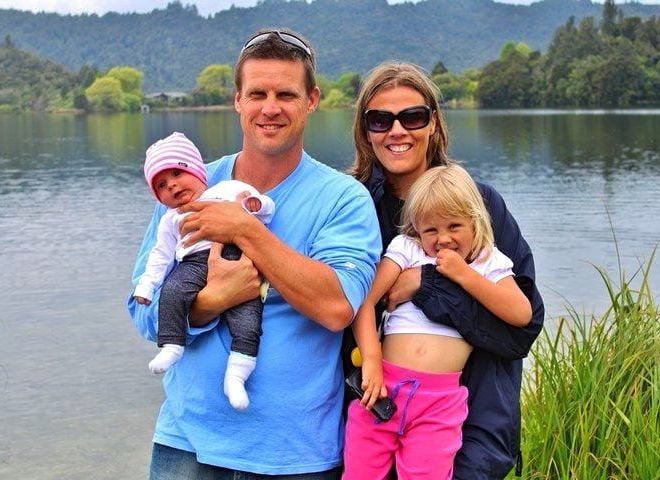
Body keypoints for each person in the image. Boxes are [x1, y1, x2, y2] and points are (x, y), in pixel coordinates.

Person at [127, 29, 381, 479]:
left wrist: (246, 229)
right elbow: (144, 315)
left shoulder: (344, 199)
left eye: (286, 93)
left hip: (293, 452)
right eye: (257, 93)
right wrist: (209, 303)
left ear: (312, 100)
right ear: (238, 100)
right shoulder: (187, 186)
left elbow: (338, 307)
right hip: (187, 442)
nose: (270, 107)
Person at [347, 61, 545, 479]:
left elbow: (520, 330)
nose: (397, 131)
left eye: (413, 116)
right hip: (372, 420)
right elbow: (340, 311)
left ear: (433, 123)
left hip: (467, 439)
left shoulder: (480, 206)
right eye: (380, 119)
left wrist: (426, 283)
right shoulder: (351, 206)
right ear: (365, 130)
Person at [342, 164, 532, 479]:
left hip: (439, 403)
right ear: (416, 227)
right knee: (360, 472)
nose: (442, 239)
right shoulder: (407, 248)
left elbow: (521, 313)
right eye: (431, 230)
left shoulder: (488, 260)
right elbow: (364, 300)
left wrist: (464, 275)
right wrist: (372, 359)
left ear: (475, 221)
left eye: (454, 226)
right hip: (382, 389)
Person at [133, 131, 275, 411]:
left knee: (248, 322)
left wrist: (254, 204)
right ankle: (172, 346)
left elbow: (264, 209)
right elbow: (160, 257)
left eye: (177, 173)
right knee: (173, 291)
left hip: (236, 257)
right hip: (192, 265)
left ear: (198, 171)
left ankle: (237, 375)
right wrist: (146, 287)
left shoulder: (228, 190)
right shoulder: (170, 219)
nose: (172, 186)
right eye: (162, 185)